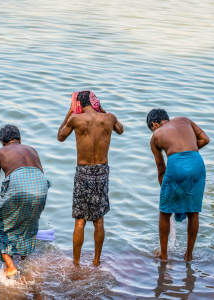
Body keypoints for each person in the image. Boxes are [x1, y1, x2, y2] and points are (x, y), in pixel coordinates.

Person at [57, 91, 123, 267]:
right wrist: (101, 109)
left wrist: (70, 113)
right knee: (99, 220)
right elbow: (120, 129)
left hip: (83, 172)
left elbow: (60, 137)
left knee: (80, 221)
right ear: (95, 102)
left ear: (78, 104)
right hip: (102, 172)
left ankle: (76, 263)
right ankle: (96, 261)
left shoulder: (76, 119)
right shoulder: (109, 118)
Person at [0, 125, 49, 278]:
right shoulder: (32, 149)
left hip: (19, 185)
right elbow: (38, 174)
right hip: (41, 186)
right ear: (19, 139)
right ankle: (24, 260)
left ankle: (11, 265)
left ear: (2, 142)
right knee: (28, 221)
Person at [147, 109, 209, 262]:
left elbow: (161, 167)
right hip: (197, 162)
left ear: (154, 124)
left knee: (165, 212)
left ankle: (164, 254)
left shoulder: (156, 136)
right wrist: (188, 150)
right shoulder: (184, 120)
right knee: (193, 212)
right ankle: (189, 255)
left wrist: (163, 185)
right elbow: (205, 139)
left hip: (176, 165)